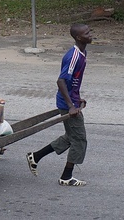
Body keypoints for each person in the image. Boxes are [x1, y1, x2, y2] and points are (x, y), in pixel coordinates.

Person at [26, 24, 92, 186]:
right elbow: (61, 80)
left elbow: (73, 81)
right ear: (78, 37)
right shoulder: (73, 56)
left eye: (90, 31)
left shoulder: (82, 52)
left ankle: (36, 157)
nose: (91, 35)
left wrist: (77, 98)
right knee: (79, 140)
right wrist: (71, 105)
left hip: (72, 100)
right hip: (67, 103)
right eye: (87, 33)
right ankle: (66, 177)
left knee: (71, 137)